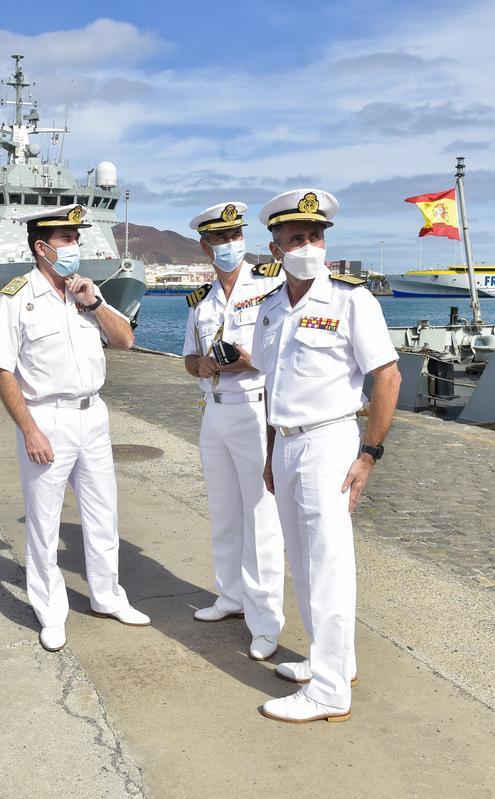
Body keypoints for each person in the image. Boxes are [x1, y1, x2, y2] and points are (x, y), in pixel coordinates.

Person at [250, 188, 401, 724]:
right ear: (275, 249)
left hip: (330, 441)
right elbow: (272, 383)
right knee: (303, 560)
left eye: (315, 236)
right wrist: (270, 452)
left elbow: (387, 377)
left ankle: (331, 692)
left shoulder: (351, 299)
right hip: (287, 444)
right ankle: (329, 660)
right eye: (297, 238)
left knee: (330, 565)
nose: (309, 245)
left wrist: (369, 455)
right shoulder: (270, 309)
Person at [0, 204, 150, 653]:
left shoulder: (87, 293)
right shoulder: (18, 297)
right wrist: (29, 430)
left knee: (102, 514)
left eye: (76, 239)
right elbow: (2, 369)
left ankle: (107, 596)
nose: (75, 246)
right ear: (42, 247)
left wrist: (94, 303)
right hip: (47, 418)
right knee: (45, 521)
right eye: (66, 240)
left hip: (93, 415)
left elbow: (126, 340)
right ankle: (50, 610)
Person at [182, 201, 286, 661]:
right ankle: (230, 597)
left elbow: (284, 346)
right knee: (224, 510)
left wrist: (249, 359)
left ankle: (265, 623)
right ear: (206, 246)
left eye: (234, 236)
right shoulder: (201, 302)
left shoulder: (270, 285)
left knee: (260, 518)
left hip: (254, 409)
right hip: (215, 409)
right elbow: (189, 358)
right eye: (220, 239)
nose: (229, 245)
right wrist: (201, 364)